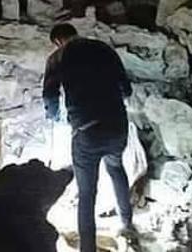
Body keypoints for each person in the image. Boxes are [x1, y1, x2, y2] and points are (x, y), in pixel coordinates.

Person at [42, 23, 136, 251]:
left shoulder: (57, 58)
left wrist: (56, 117)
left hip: (87, 131)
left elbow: (50, 96)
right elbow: (126, 89)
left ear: (57, 41)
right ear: (75, 33)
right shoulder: (104, 49)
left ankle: (87, 248)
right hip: (117, 125)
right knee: (116, 168)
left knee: (87, 193)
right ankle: (127, 223)